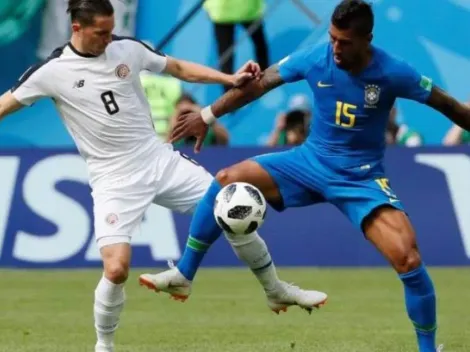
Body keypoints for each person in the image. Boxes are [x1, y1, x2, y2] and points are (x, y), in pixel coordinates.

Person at [0, 1, 325, 351]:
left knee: (231, 208)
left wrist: (228, 78)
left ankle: (275, 290)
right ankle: (104, 346)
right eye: (101, 33)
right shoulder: (51, 71)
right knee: (116, 270)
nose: (109, 40)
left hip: (159, 161)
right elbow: (5, 104)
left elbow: (178, 67)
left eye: (111, 31)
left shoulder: (127, 48)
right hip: (112, 179)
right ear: (76, 29)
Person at [154, 1, 470, 351]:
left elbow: (451, 107)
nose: (335, 47)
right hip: (309, 162)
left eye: (345, 42)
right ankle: (184, 274)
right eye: (333, 38)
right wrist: (208, 115)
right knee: (227, 178)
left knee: (408, 258)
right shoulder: (314, 57)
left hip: (360, 178)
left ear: (367, 39)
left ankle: (428, 349)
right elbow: (259, 85)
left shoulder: (395, 72)